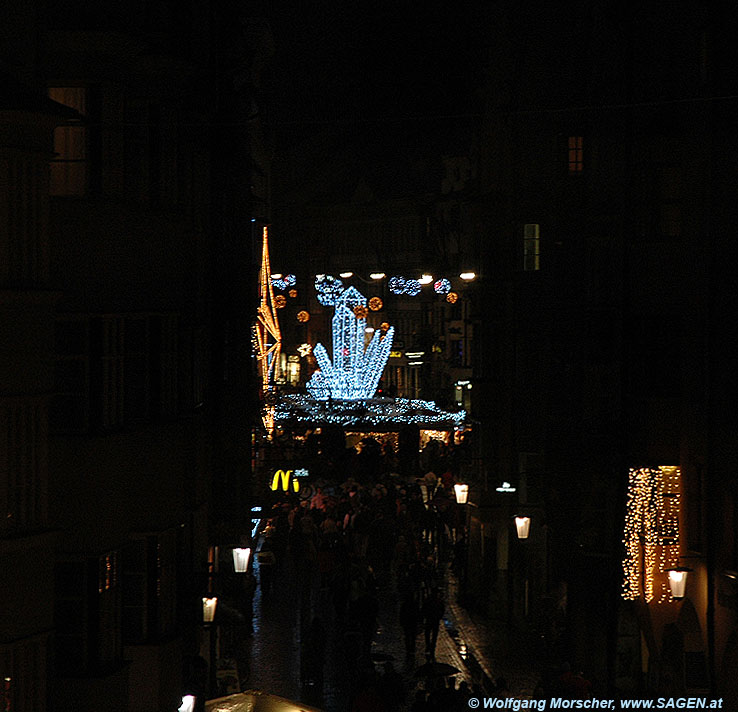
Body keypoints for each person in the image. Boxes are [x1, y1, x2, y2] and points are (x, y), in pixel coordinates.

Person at [421, 588, 445, 660]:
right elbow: (442, 609)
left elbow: (424, 609)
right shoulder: (438, 601)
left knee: (428, 633)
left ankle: (428, 645)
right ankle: (432, 646)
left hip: (429, 619)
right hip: (435, 620)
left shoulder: (428, 600)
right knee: (434, 634)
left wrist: (425, 616)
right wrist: (439, 616)